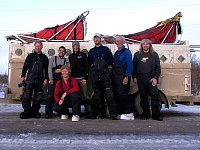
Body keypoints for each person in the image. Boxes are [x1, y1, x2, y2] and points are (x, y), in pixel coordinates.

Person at [88, 33, 118, 120]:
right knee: (98, 96)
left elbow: (111, 60)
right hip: (95, 76)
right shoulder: (91, 51)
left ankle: (113, 114)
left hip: (105, 75)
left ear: (100, 39)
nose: (96, 40)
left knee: (110, 95)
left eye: (98, 38)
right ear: (94, 40)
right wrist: (93, 65)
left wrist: (104, 64)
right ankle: (100, 114)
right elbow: (89, 62)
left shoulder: (106, 50)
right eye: (95, 38)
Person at [132, 39, 163, 121]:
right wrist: (134, 77)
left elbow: (158, 68)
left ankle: (156, 115)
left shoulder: (154, 55)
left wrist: (155, 78)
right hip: (140, 78)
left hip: (151, 78)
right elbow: (133, 67)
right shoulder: (137, 55)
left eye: (147, 44)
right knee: (143, 97)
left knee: (155, 96)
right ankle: (146, 114)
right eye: (143, 44)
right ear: (141, 46)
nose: (145, 45)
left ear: (150, 45)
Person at [20, 41, 49, 119]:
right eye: (36, 46)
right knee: (26, 95)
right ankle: (26, 112)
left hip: (40, 79)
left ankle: (35, 112)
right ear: (34, 47)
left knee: (38, 96)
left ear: (41, 47)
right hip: (30, 78)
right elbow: (25, 66)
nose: (37, 47)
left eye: (39, 46)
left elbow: (46, 69)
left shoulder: (44, 57)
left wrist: (46, 78)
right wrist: (23, 76)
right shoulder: (30, 56)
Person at [112, 35, 134, 120]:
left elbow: (130, 65)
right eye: (117, 41)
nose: (119, 42)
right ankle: (122, 113)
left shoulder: (127, 52)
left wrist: (127, 77)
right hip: (116, 78)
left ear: (123, 42)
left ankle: (129, 113)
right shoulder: (117, 52)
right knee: (119, 95)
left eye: (120, 41)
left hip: (123, 77)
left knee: (124, 95)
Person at [45, 46, 69, 119]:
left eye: (63, 51)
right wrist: (51, 79)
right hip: (53, 80)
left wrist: (61, 71)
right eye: (60, 50)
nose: (61, 52)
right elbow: (49, 69)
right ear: (58, 51)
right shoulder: (52, 58)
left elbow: (68, 70)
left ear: (65, 52)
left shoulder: (66, 60)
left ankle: (62, 112)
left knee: (61, 96)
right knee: (50, 96)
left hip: (62, 81)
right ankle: (48, 113)